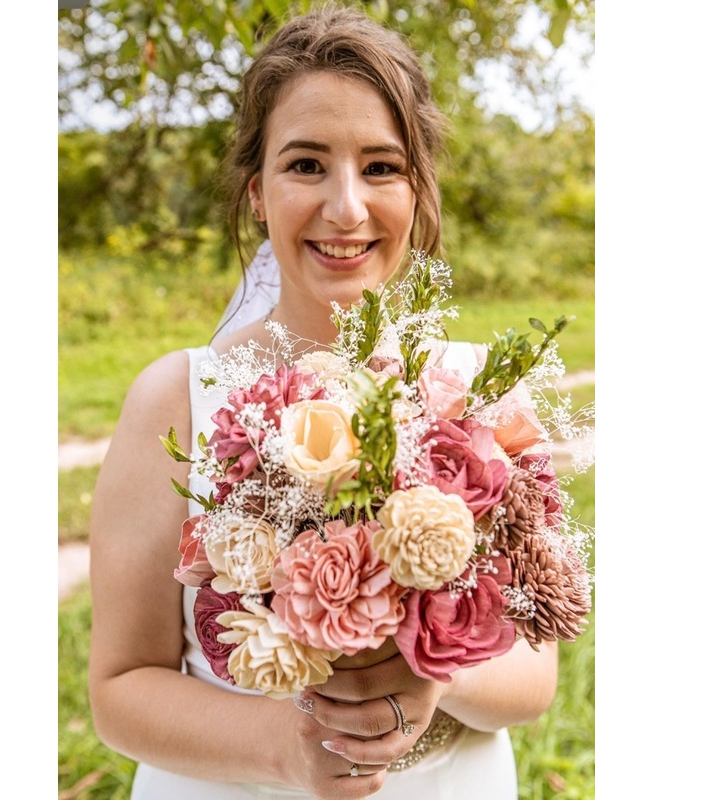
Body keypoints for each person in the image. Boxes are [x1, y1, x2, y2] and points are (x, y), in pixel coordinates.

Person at [88, 5, 558, 799]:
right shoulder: (176, 398)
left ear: (418, 191)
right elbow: (121, 686)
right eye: (306, 165)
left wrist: (435, 676)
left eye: (381, 167)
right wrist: (289, 747)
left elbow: (536, 674)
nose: (347, 208)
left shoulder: (483, 394)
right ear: (257, 193)